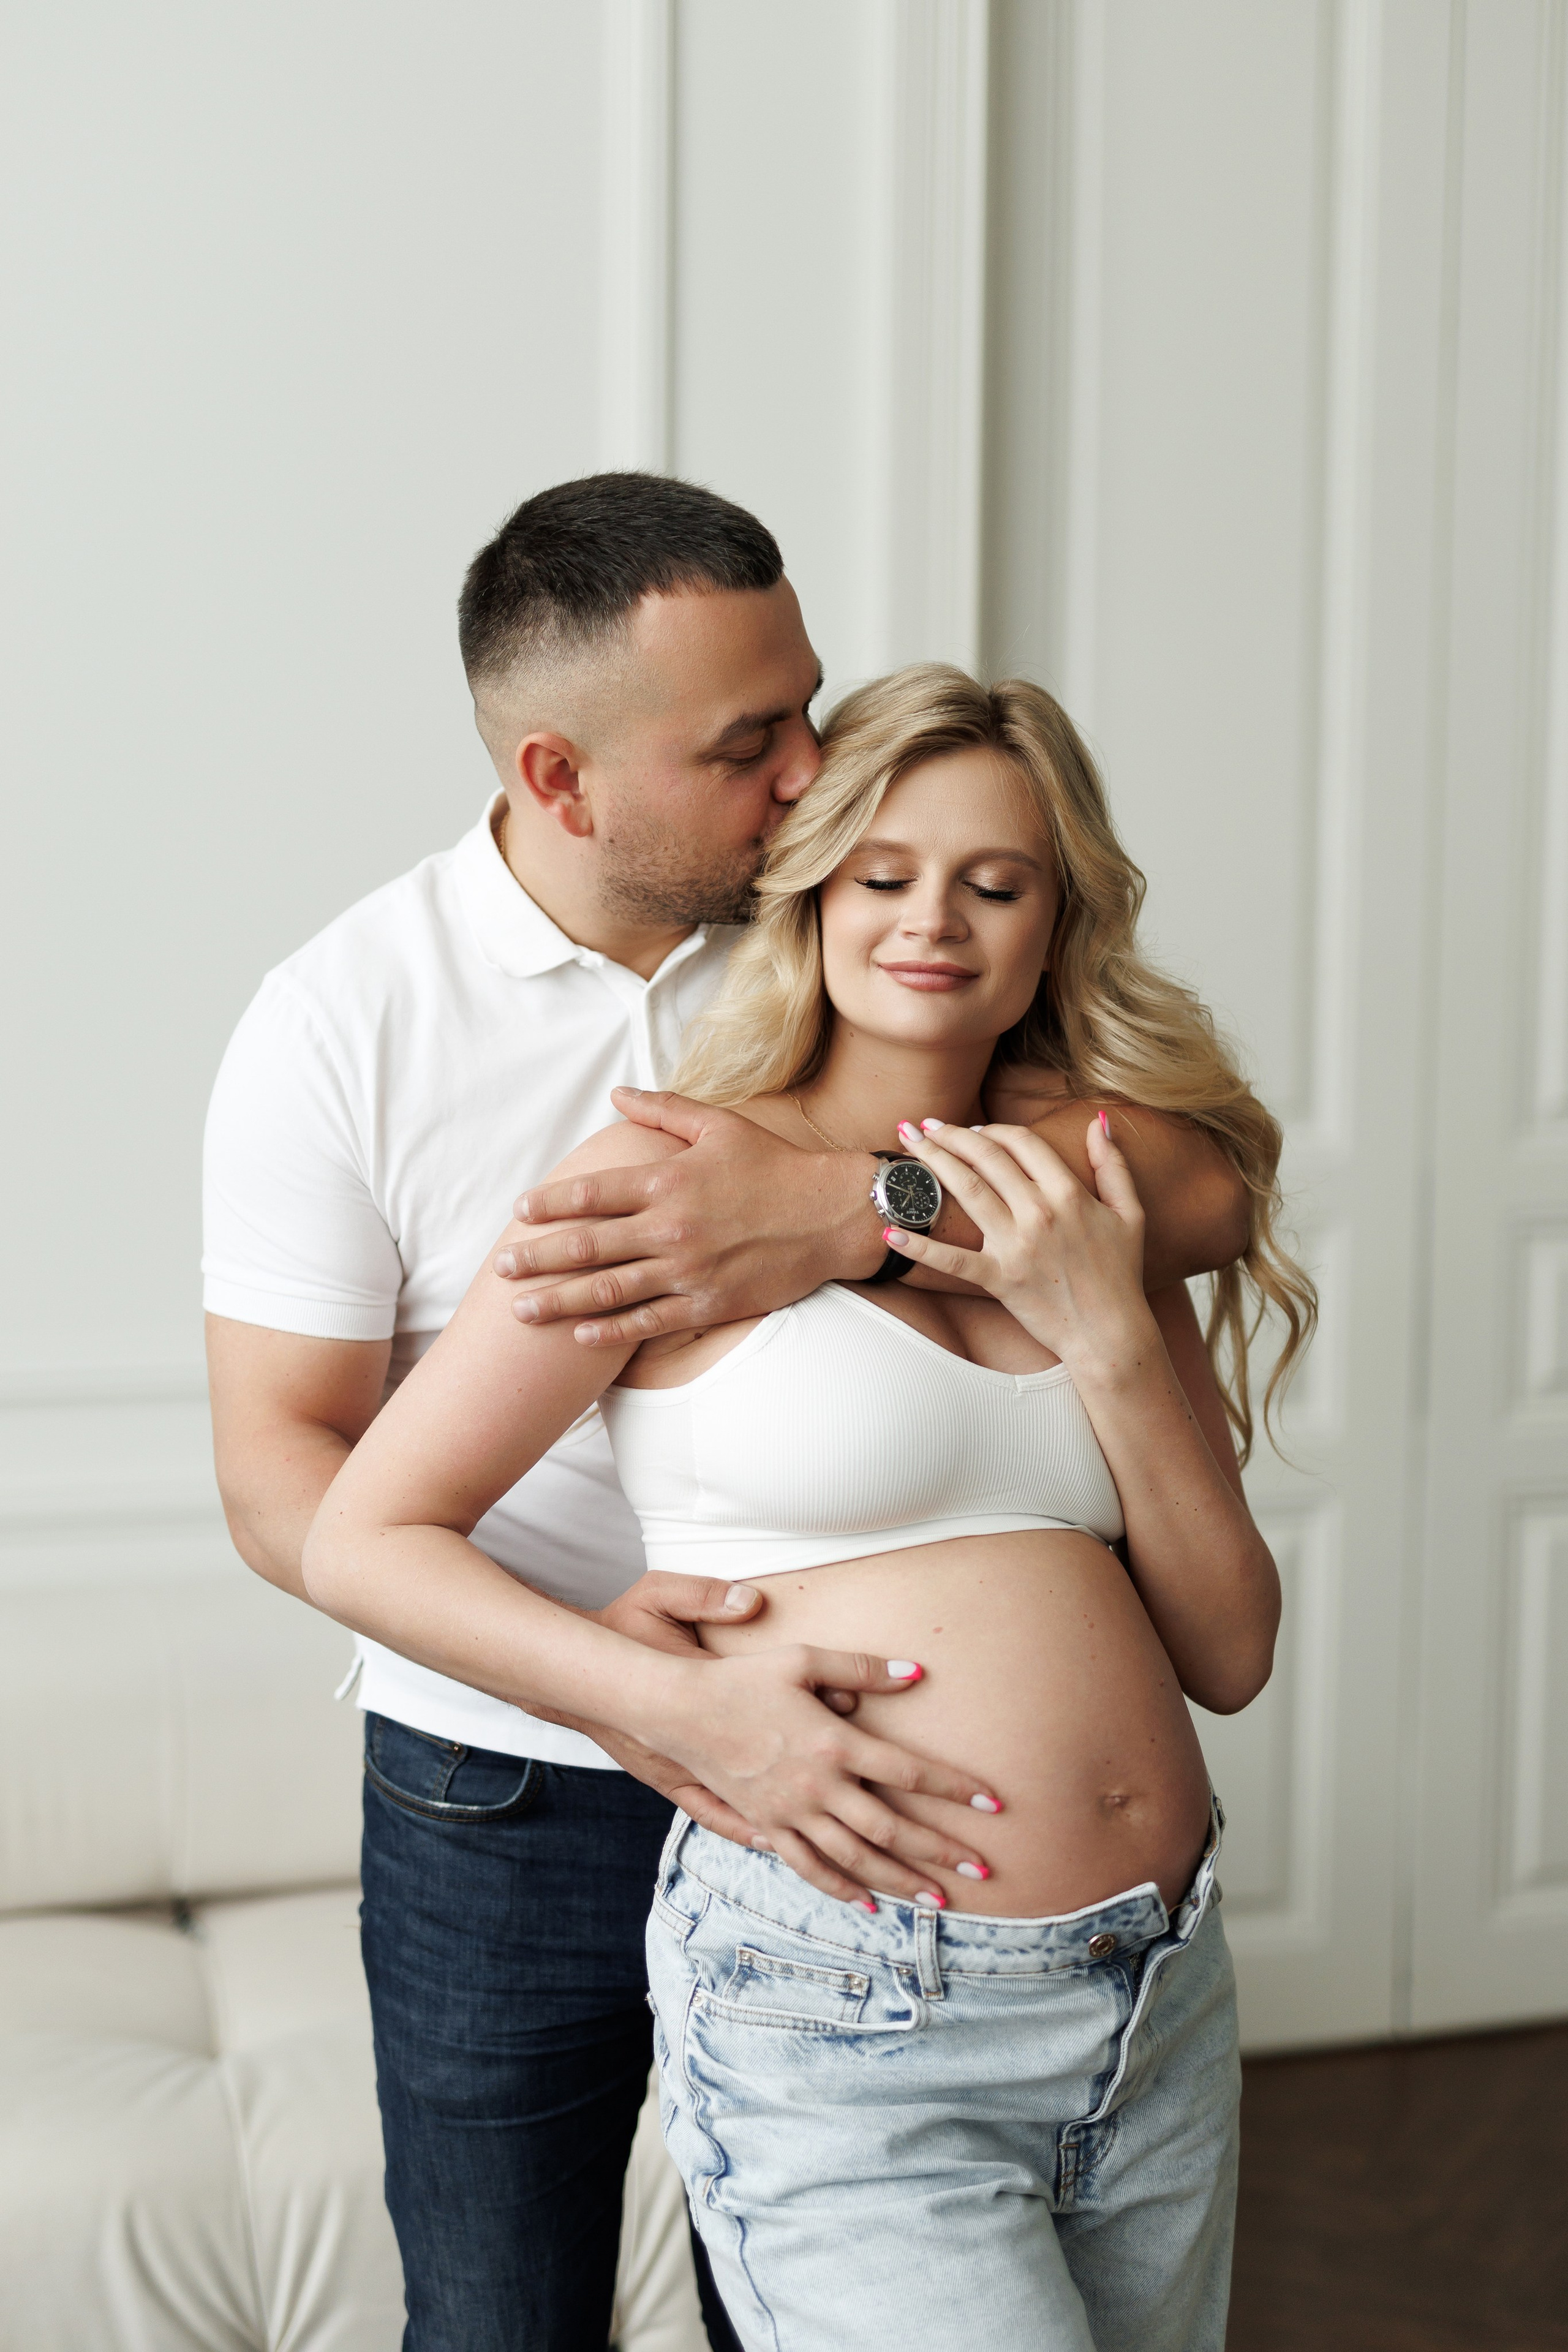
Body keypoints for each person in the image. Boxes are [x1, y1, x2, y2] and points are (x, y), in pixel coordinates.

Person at [205, 475, 1253, 2352]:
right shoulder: (351, 1023)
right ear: (562, 773)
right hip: (519, 1767)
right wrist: (639, 1686)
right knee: (509, 2309)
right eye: (752, 744)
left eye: (810, 712)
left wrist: (848, 1208)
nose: (808, 776)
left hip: (1005, 1898)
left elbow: (1199, 1183)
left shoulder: (867, 948)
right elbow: (298, 1479)